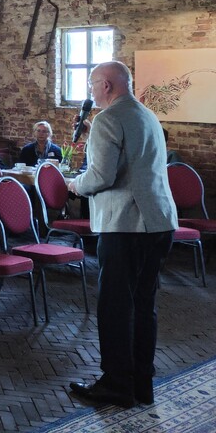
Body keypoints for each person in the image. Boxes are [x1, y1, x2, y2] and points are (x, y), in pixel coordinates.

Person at [66, 61, 178, 408]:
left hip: (126, 224)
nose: (90, 91)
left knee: (115, 307)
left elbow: (101, 176)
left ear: (107, 85)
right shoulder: (147, 115)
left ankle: (116, 385)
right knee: (143, 304)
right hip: (159, 221)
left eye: (92, 84)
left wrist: (75, 185)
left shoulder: (107, 119)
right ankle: (141, 384)